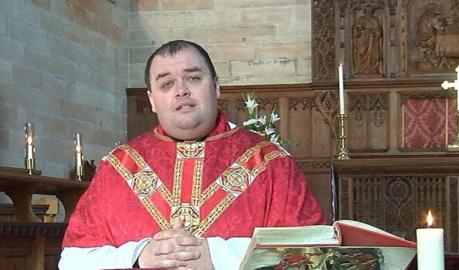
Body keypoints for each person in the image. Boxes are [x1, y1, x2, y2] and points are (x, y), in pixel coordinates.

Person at [58, 40, 325, 270]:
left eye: (194, 78)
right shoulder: (117, 168)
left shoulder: (271, 164)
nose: (181, 90)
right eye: (166, 84)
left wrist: (218, 257)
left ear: (216, 87)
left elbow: (312, 257)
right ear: (151, 100)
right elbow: (72, 261)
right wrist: (140, 255)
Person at [353, 4, 383, 75]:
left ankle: (373, 69)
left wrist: (376, 34)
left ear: (372, 11)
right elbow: (356, 29)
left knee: (374, 56)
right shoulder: (361, 19)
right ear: (365, 11)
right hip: (363, 40)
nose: (368, 11)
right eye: (367, 10)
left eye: (370, 10)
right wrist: (359, 30)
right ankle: (362, 69)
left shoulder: (375, 20)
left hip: (373, 41)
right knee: (361, 52)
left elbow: (379, 30)